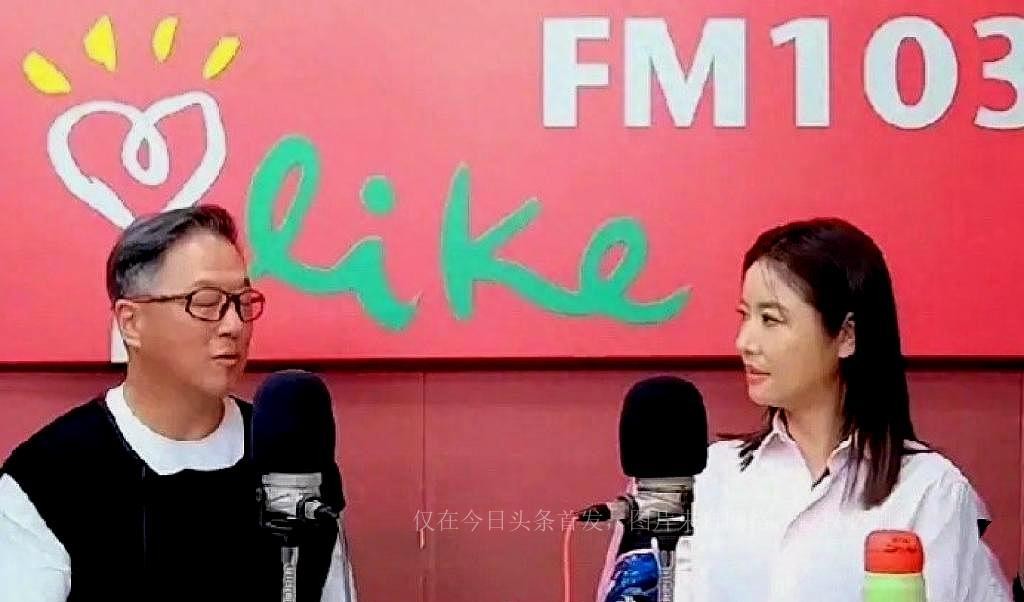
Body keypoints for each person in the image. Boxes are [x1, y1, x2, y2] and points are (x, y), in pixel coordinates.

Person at [599, 218, 1011, 601]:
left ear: (846, 335)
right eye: (744, 316)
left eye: (771, 319)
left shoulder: (929, 491)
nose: (745, 342)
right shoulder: (701, 481)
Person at [0, 205, 357, 601]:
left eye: (242, 301)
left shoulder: (291, 456)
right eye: (206, 302)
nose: (234, 325)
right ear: (131, 322)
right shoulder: (48, 479)